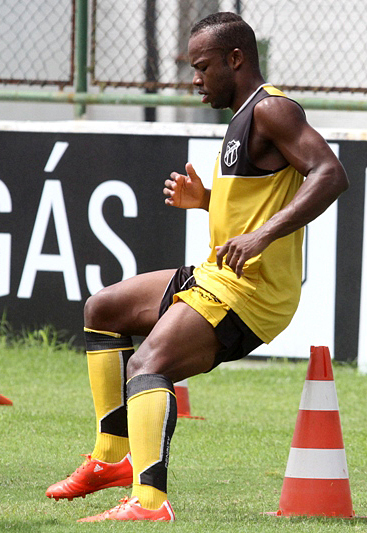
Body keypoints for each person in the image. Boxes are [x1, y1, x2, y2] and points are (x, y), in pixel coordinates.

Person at [45, 11, 348, 522]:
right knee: (105, 308)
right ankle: (110, 460)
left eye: (203, 66)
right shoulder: (243, 116)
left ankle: (149, 503)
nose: (195, 79)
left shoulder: (272, 109)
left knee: (147, 367)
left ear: (236, 59)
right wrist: (207, 201)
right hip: (220, 275)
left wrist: (263, 234)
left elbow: (330, 174)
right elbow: (259, 197)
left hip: (249, 294)